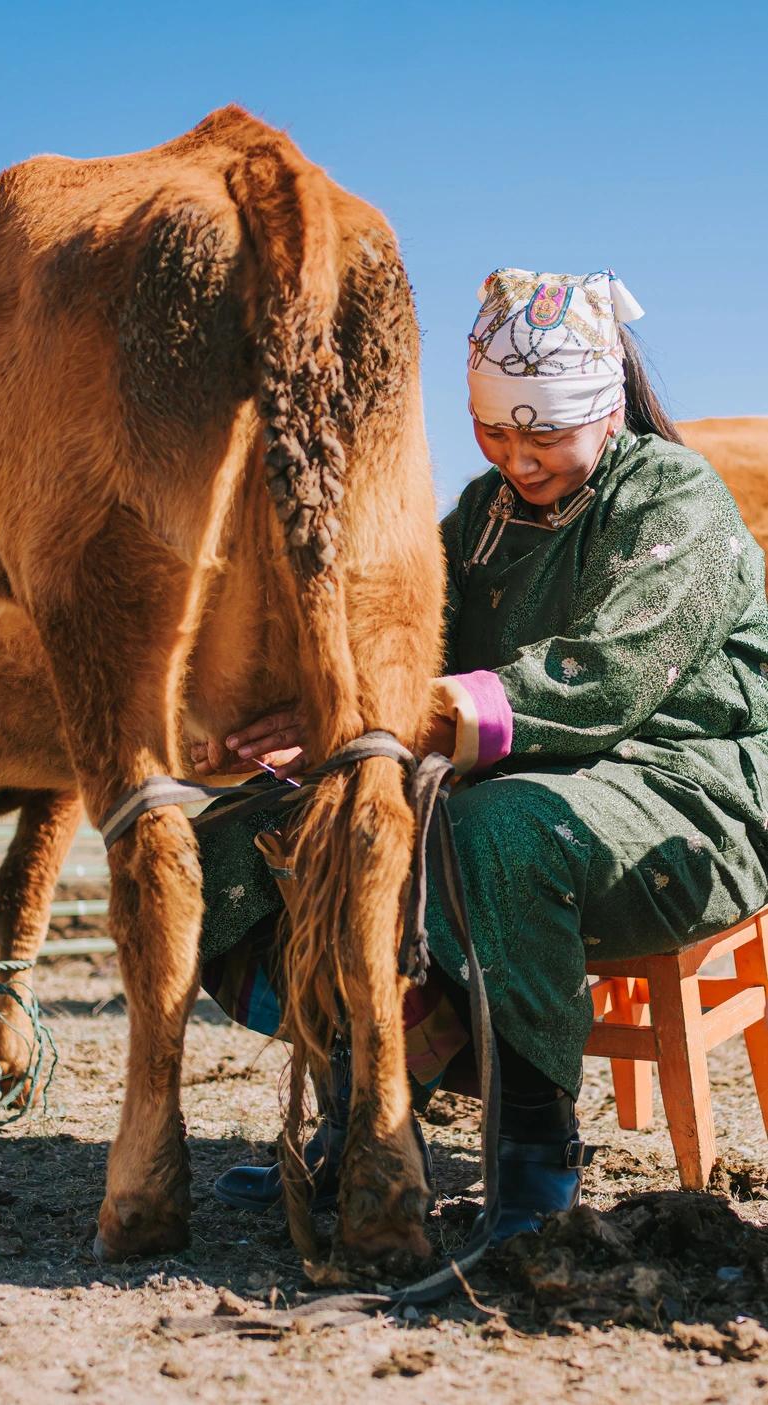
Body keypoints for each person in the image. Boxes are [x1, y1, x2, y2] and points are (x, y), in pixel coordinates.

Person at [193, 268, 768, 1240]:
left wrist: (385, 715)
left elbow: (603, 676)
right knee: (251, 832)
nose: (518, 456)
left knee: (494, 831)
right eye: (494, 432)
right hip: (523, 776)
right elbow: (402, 629)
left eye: (542, 432)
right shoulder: (485, 515)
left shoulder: (675, 498)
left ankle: (534, 1159)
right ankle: (370, 1106)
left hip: (686, 792)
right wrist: (307, 709)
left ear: (606, 404)